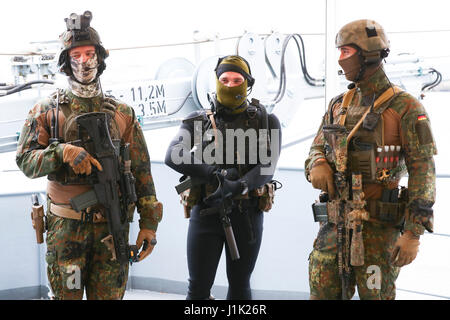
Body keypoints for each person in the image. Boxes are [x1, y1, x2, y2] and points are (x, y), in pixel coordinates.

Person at [16, 11, 162, 300]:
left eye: (89, 53)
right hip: (66, 231)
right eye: (77, 54)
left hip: (112, 227)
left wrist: (148, 224)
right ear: (66, 62)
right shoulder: (47, 110)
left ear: (100, 57)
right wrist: (61, 152)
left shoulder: (122, 113)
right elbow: (26, 161)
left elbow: (142, 172)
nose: (84, 61)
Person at [305, 19, 437, 300]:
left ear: (369, 54)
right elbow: (316, 147)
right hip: (333, 229)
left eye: (346, 52)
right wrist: (317, 164)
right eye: (339, 52)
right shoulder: (339, 104)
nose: (341, 59)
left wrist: (413, 233)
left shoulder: (406, 107)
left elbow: (423, 172)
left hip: (378, 230)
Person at [165, 55, 282, 300]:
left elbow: (267, 167)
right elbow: (173, 154)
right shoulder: (199, 120)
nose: (230, 85)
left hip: (246, 213)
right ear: (216, 81)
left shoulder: (265, 120)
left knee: (240, 285)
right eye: (224, 79)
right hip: (206, 211)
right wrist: (213, 175)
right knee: (197, 289)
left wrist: (238, 186)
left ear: (247, 84)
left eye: (237, 80)